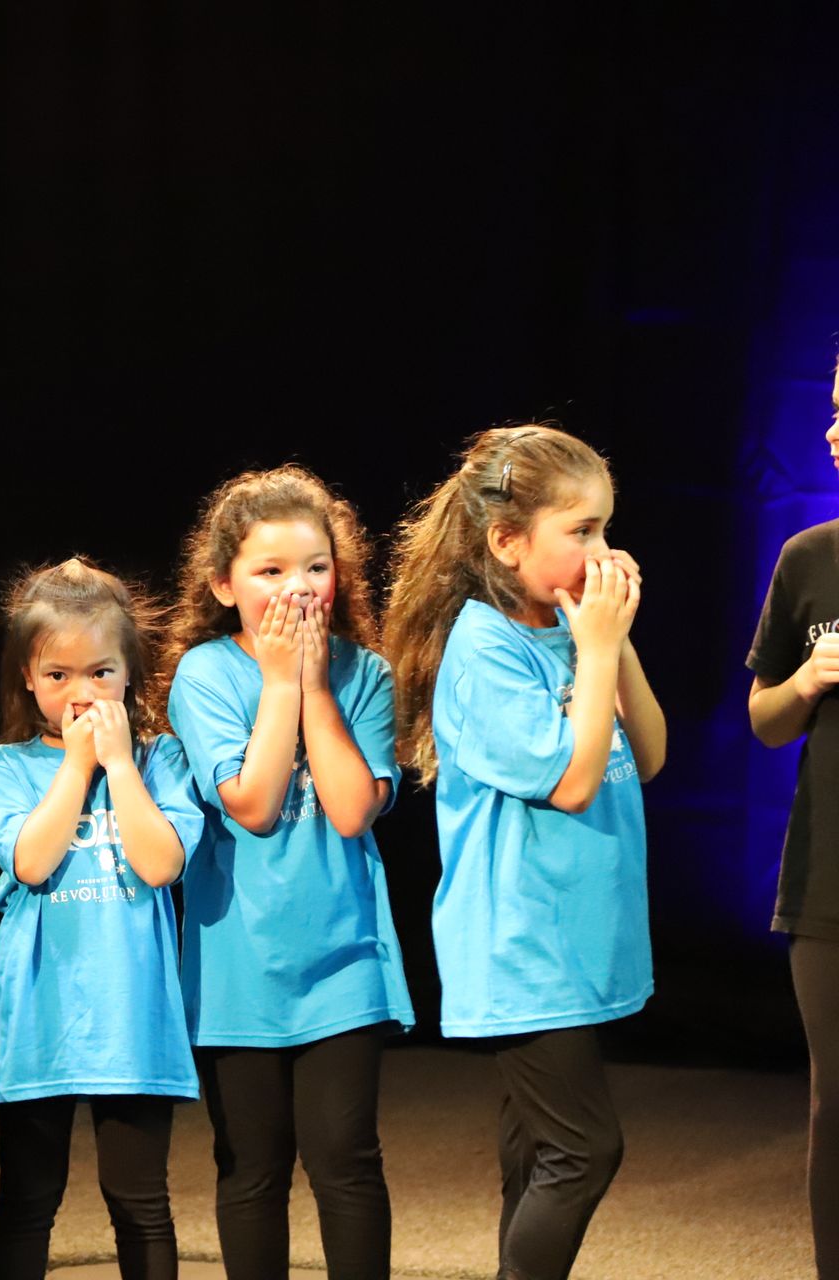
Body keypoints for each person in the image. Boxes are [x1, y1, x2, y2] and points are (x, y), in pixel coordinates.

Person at [382, 424, 666, 1280]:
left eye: (606, 528)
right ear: (507, 542)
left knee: (537, 1153)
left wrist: (613, 643)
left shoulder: (573, 630)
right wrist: (597, 648)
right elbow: (573, 783)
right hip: (522, 946)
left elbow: (650, 753)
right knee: (584, 1150)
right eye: (581, 531)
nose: (602, 552)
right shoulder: (484, 650)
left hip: (573, 934)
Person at [166, 465, 411, 1280]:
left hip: (344, 959)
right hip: (239, 965)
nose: (297, 587)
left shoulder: (365, 673)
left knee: (347, 1159)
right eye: (270, 570)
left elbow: (351, 809)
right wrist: (280, 685)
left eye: (315, 567)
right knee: (253, 1167)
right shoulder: (207, 674)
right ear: (224, 585)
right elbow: (254, 804)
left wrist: (313, 687)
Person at [0, 558, 203, 1280]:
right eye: (59, 675)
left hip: (133, 1018)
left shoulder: (162, 760)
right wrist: (76, 768)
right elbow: (32, 862)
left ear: (130, 673)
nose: (82, 693)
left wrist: (121, 766)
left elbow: (160, 865)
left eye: (101, 673)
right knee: (27, 1197)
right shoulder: (5, 768)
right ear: (28, 679)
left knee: (140, 1201)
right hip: (41, 1016)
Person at [746, 362, 839, 1278]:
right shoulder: (808, 558)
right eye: (835, 410)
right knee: (834, 1104)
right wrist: (807, 681)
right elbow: (765, 721)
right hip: (828, 878)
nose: (831, 433)